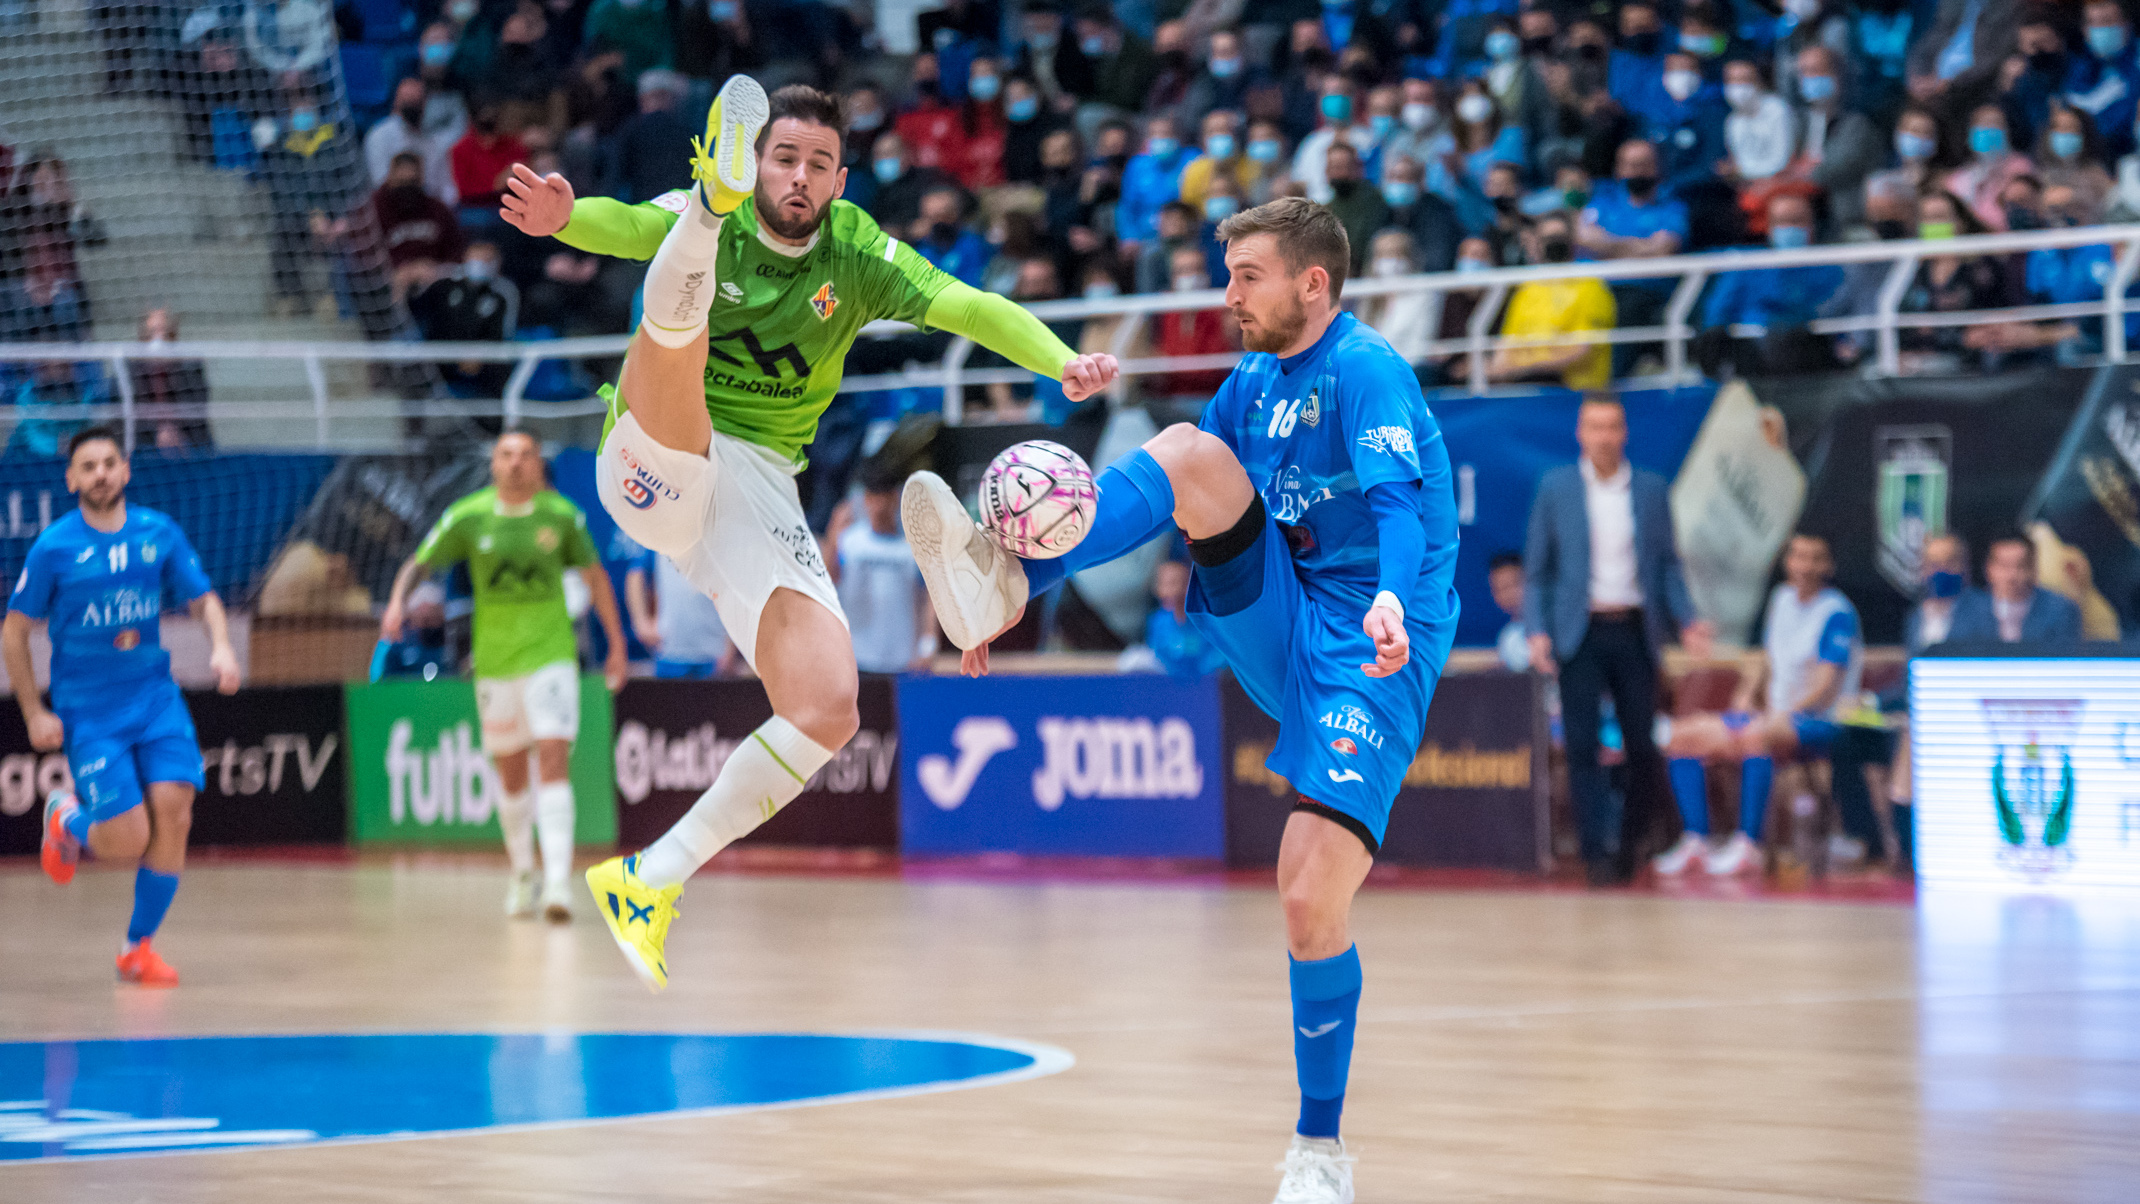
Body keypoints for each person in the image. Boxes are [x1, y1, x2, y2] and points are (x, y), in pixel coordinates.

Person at [500, 78, 1119, 991]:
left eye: (817, 164)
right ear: (755, 163)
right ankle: (706, 216)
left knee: (830, 707)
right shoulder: (725, 208)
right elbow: (626, 226)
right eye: (780, 158)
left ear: (839, 178)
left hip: (759, 490)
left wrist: (1062, 359)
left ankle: (649, 879)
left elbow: (972, 308)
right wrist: (562, 219)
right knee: (679, 303)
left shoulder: (861, 254)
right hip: (658, 451)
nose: (797, 176)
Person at [904, 196, 1457, 1203]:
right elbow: (1168, 501)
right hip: (1277, 606)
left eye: (1247, 274)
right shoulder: (1249, 384)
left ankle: (1319, 1151)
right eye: (1229, 270)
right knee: (1190, 452)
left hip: (1371, 642)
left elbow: (1399, 510)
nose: (1227, 293)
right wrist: (1023, 610)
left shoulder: (1367, 369)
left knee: (1306, 894)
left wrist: (1385, 599)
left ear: (1312, 283)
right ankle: (1008, 582)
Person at [7, 426, 243, 987]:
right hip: (89, 712)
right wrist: (35, 713)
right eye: (88, 467)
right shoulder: (54, 548)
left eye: (109, 463)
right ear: (71, 480)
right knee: (125, 841)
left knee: (176, 811)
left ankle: (136, 949)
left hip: (155, 701)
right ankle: (64, 816)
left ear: (127, 469)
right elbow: (13, 634)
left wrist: (223, 646)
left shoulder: (157, 532)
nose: (100, 474)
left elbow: (204, 599)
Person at [379, 432, 630, 924]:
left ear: (539, 466)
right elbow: (420, 562)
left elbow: (596, 577)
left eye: (526, 455)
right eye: (506, 455)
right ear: (493, 465)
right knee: (511, 773)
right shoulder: (468, 516)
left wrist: (616, 646)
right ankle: (522, 873)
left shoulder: (562, 517)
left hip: (552, 654)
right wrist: (395, 603)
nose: (516, 464)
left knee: (554, 756)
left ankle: (558, 880)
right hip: (494, 661)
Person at [1523, 395, 1713, 885]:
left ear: (1624, 432)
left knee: (1641, 746)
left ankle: (1630, 843)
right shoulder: (1556, 487)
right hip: (1579, 632)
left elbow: (1668, 565)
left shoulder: (1650, 489)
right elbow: (1538, 572)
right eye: (1594, 427)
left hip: (1634, 629)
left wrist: (1687, 619)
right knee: (1582, 746)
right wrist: (1538, 630)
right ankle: (1595, 852)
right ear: (1580, 434)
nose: (1604, 436)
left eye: (1612, 427)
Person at [1652, 533, 1859, 877]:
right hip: (1773, 717)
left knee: (1756, 735)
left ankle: (1749, 845)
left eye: (1814, 558)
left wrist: (1780, 715)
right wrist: (1747, 693)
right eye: (1798, 556)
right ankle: (1696, 841)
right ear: (1787, 561)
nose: (1804, 566)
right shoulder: (1780, 600)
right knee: (1681, 736)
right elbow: (1766, 657)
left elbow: (1825, 688)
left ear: (1828, 566)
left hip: (1822, 720)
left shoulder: (1837, 613)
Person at [1488, 212, 1616, 390]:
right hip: (1526, 388)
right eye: (1547, 239)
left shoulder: (1592, 287)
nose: (1554, 244)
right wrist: (1501, 369)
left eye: (1559, 238)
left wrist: (1524, 366)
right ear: (1537, 243)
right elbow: (1505, 350)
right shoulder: (1527, 289)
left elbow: (1581, 351)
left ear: (1572, 241)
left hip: (1574, 392)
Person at [831, 465, 933, 674]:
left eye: (884, 496)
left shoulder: (912, 546)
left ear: (895, 497)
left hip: (904, 659)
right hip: (858, 658)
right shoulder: (850, 542)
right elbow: (828, 580)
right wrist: (833, 533)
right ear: (865, 498)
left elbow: (928, 598)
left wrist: (927, 645)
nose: (878, 504)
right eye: (872, 496)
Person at [1946, 530, 2084, 644]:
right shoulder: (1969, 608)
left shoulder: (2060, 610)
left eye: (2020, 566)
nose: (2012, 575)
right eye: (2004, 566)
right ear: (1989, 568)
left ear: (2033, 568)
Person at [627, 546, 740, 678]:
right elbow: (635, 573)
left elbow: (734, 588)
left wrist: (731, 645)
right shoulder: (659, 536)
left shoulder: (717, 537)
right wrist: (641, 623)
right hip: (670, 651)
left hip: (714, 653)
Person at [366, 77, 463, 205]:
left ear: (425, 103)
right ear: (396, 103)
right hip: (393, 208)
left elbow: (446, 187)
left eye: (417, 101)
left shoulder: (432, 141)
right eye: (408, 101)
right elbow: (380, 182)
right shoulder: (379, 136)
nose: (413, 106)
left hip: (429, 209)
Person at [130, 307, 214, 451]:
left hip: (188, 442)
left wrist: (173, 429)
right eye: (152, 333)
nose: (159, 340)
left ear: (174, 337)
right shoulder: (129, 372)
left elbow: (198, 412)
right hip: (145, 443)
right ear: (142, 338)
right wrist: (158, 431)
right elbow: (127, 418)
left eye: (164, 332)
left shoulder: (191, 369)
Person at [1488, 550, 1529, 672]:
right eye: (1499, 589)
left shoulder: (1551, 629)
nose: (1507, 595)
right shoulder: (1508, 636)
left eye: (1513, 584)